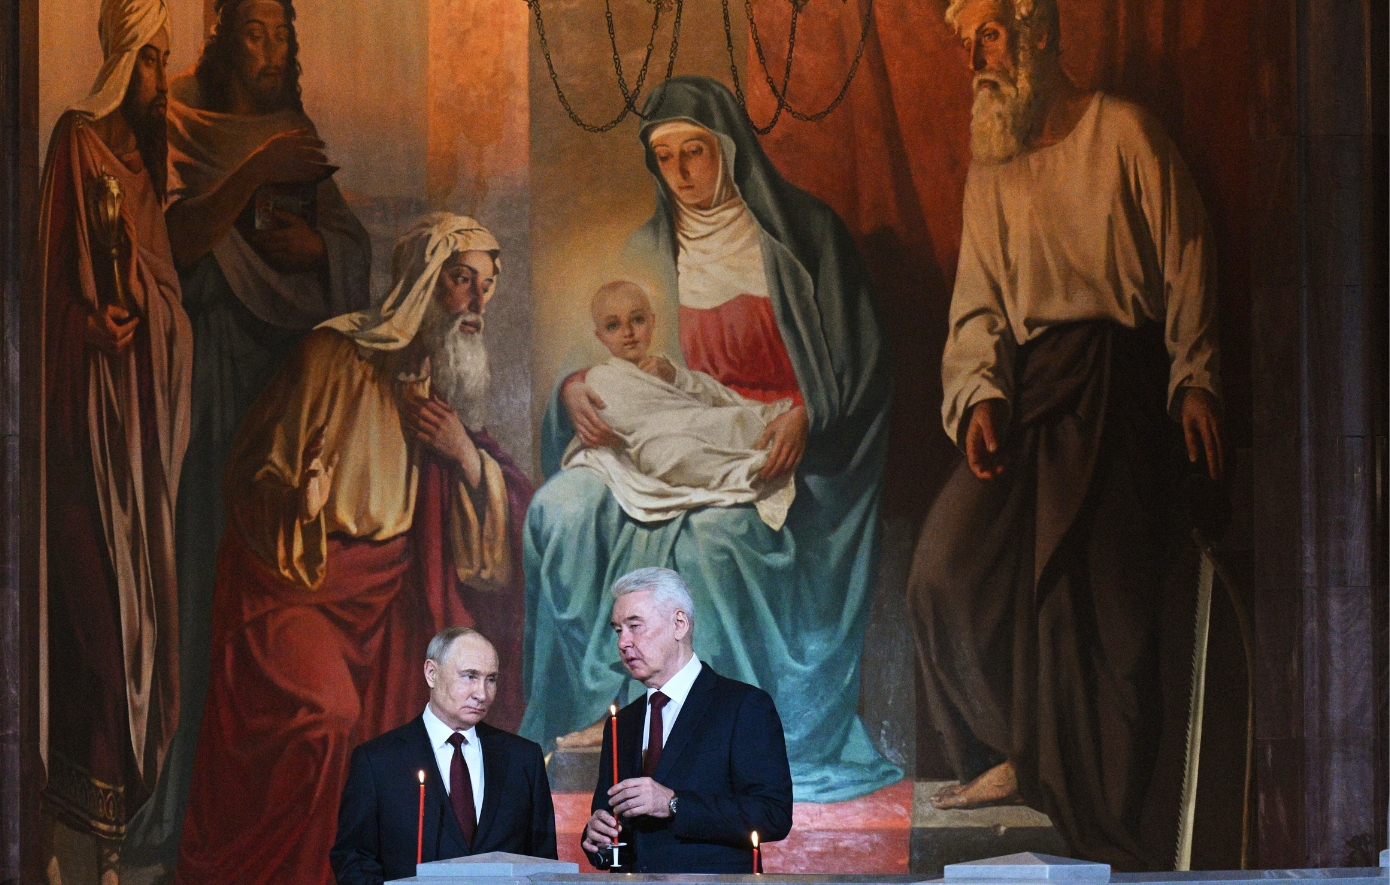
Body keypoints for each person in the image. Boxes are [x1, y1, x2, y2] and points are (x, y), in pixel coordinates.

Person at [906, 0, 1223, 868]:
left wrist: (1195, 379)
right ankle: (1017, 754)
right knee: (943, 571)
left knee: (1111, 619)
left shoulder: (1125, 134)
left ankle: (1112, 833)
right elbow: (977, 302)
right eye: (969, 43)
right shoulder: (992, 167)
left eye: (990, 34)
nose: (978, 58)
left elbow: (1188, 260)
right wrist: (979, 395)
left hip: (1123, 391)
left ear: (1038, 33)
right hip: (1031, 394)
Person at [522, 77, 900, 802]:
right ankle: (595, 717)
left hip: (773, 448)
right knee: (561, 510)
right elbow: (595, 352)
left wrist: (808, 413)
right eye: (665, 157)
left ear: (728, 148)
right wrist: (571, 389)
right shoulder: (646, 247)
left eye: (694, 151)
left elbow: (865, 364)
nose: (682, 172)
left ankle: (708, 742)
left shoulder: (804, 234)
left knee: (711, 544)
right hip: (658, 441)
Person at [173, 214, 532, 885]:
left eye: (486, 286)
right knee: (326, 716)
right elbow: (250, 477)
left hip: (390, 602)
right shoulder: (332, 354)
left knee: (419, 743)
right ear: (421, 280)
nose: (476, 302)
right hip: (300, 586)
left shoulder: (444, 389)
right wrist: (298, 501)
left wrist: (463, 455)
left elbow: (506, 516)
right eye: (462, 280)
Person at [124, 0, 373, 867]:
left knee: (275, 599)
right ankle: (180, 804)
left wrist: (318, 251)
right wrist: (255, 170)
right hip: (207, 388)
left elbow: (349, 250)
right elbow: (167, 245)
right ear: (223, 39)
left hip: (286, 393)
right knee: (200, 583)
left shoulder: (290, 129)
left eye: (281, 35)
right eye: (255, 33)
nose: (270, 51)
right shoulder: (176, 122)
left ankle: (261, 809)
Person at [34, 0, 191, 879]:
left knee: (142, 629)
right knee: (91, 623)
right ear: (123, 59)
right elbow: (43, 293)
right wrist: (91, 324)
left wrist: (150, 320)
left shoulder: (145, 168)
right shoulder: (77, 143)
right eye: (152, 59)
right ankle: (69, 835)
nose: (162, 80)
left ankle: (114, 837)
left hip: (141, 443)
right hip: (82, 438)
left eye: (166, 60)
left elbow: (166, 299)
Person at [580, 568, 792, 873]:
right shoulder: (623, 723)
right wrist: (597, 838)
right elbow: (610, 825)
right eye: (618, 630)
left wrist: (673, 803)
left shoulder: (743, 706)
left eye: (635, 626)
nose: (623, 642)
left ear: (679, 624)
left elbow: (772, 814)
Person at [562, 280, 796, 530]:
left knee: (733, 420)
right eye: (613, 326)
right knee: (670, 456)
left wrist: (675, 377)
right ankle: (747, 470)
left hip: (697, 426)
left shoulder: (667, 365)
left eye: (637, 320)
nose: (628, 332)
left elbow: (710, 395)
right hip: (654, 445)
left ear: (652, 322)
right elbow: (623, 426)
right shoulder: (601, 376)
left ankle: (755, 450)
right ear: (600, 336)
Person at [332, 628, 557, 884]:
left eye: (491, 680)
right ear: (431, 673)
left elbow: (545, 865)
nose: (482, 694)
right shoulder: (377, 761)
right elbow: (354, 858)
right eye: (470, 676)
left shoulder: (523, 759)